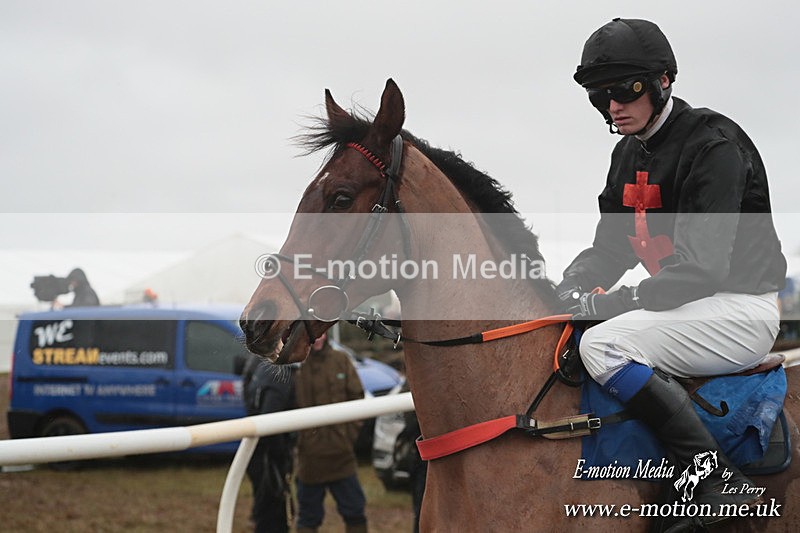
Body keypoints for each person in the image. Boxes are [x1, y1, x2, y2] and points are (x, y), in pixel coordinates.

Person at [557, 18, 787, 530]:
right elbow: (608, 249)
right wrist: (568, 287)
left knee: (603, 346)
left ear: (663, 82)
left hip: (738, 307)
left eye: (625, 90)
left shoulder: (714, 146)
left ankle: (717, 482)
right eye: (600, 96)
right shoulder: (626, 154)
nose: (613, 106)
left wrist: (612, 303)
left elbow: (702, 270)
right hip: (685, 307)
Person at [293, 334, 368, 533]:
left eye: (321, 331)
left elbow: (357, 398)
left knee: (355, 511)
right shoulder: (295, 365)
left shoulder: (341, 360)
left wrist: (347, 435)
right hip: (309, 459)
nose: (317, 338)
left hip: (342, 455)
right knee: (308, 518)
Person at [242, 355, 296, 533]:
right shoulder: (281, 375)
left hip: (256, 451)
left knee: (265, 510)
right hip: (268, 457)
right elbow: (270, 423)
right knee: (273, 517)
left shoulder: (259, 364)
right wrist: (281, 456)